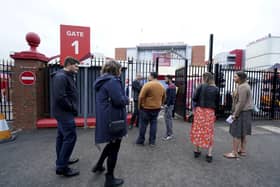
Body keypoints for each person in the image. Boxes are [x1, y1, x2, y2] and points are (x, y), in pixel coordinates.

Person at [93, 60, 129, 187]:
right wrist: (127, 99)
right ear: (115, 70)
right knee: (114, 147)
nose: (120, 71)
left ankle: (98, 165)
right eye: (120, 69)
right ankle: (109, 178)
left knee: (111, 143)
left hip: (106, 118)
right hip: (114, 119)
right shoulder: (113, 81)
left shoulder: (102, 80)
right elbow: (119, 100)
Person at [52, 57, 80, 177]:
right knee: (70, 137)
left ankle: (62, 160)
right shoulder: (61, 77)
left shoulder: (66, 75)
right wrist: (72, 107)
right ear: (69, 64)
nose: (77, 68)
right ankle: (62, 167)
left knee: (62, 137)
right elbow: (60, 97)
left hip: (63, 112)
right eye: (76, 66)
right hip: (64, 113)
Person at [190, 72, 219, 163]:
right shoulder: (216, 89)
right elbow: (217, 103)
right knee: (209, 131)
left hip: (200, 111)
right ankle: (209, 154)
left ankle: (197, 151)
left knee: (198, 130)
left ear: (204, 78)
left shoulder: (200, 86)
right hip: (210, 112)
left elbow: (194, 98)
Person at [224, 71, 253, 159]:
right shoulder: (244, 86)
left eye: (235, 77)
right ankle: (242, 151)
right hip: (245, 112)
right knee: (243, 132)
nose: (234, 78)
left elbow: (241, 102)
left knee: (236, 133)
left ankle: (234, 153)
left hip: (241, 112)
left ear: (240, 78)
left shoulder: (242, 87)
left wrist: (235, 114)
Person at [136, 72, 166, 146]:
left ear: (152, 76)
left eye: (149, 75)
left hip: (146, 108)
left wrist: (140, 106)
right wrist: (161, 104)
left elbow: (141, 97)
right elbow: (164, 97)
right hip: (156, 108)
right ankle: (152, 142)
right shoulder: (161, 86)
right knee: (153, 124)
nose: (148, 77)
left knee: (143, 125)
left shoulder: (147, 85)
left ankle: (141, 140)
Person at [163, 75, 176, 141]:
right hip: (169, 105)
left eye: (166, 79)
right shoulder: (171, 86)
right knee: (167, 119)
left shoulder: (172, 87)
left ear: (169, 79)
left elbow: (171, 97)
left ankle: (170, 134)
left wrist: (167, 105)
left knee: (168, 119)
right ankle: (168, 133)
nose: (165, 80)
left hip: (169, 106)